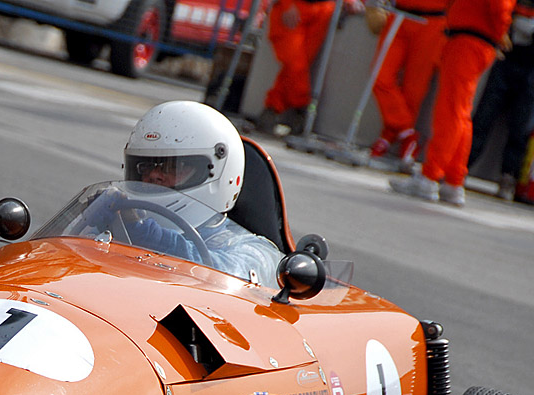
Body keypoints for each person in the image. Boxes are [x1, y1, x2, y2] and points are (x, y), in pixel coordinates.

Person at [121, 101, 284, 287]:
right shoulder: (123, 223)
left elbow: (231, 275)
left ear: (216, 172)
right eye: (145, 166)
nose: (153, 175)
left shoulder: (253, 251)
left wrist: (153, 237)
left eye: (172, 167)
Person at [390, 0, 517, 206]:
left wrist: (499, 31)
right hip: (473, 38)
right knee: (460, 112)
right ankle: (453, 180)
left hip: (469, 39)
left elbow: (500, 7)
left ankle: (431, 177)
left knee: (450, 110)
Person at [467, 0, 534, 200]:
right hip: (506, 58)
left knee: (521, 125)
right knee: (483, 117)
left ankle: (509, 177)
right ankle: (461, 166)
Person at [257, 0, 365, 135]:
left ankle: (273, 109)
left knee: (299, 68)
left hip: (323, 9)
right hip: (292, 7)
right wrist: (287, 4)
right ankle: (300, 109)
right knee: (295, 64)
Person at [367, 0, 449, 164]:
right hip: (398, 14)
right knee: (380, 75)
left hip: (433, 22)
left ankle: (389, 135)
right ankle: (407, 133)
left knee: (414, 89)